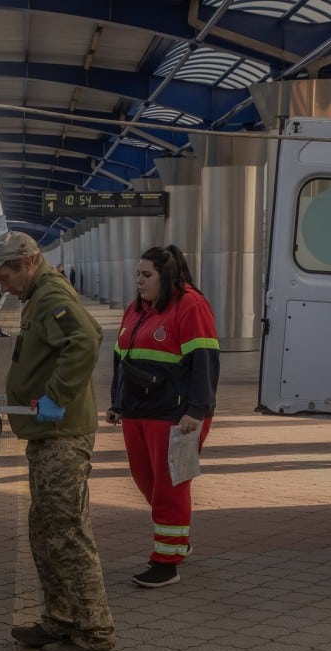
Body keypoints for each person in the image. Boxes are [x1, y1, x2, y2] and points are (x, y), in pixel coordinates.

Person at [0, 230, 116, 651]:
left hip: (62, 436)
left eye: (5, 276)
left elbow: (87, 339)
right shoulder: (38, 296)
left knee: (67, 533)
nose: (3, 285)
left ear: (27, 263)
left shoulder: (51, 293)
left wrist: (56, 395)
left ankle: (95, 634)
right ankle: (61, 619)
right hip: (45, 434)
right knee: (45, 531)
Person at [106, 245, 219, 588]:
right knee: (148, 482)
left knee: (171, 486)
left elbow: (205, 360)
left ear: (165, 275)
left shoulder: (190, 306)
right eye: (137, 274)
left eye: (146, 275)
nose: (139, 281)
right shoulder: (137, 309)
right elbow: (120, 358)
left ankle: (166, 562)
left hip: (177, 415)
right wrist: (116, 402)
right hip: (138, 412)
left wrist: (197, 410)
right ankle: (176, 540)